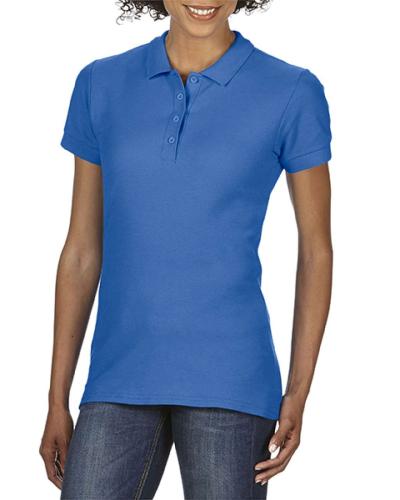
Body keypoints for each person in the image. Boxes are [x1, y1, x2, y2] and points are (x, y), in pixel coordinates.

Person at [39, 1, 333, 499]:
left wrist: (298, 392)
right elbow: (82, 250)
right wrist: (56, 398)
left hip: (232, 380)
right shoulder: (99, 84)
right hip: (118, 375)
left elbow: (316, 251)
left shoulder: (291, 91)